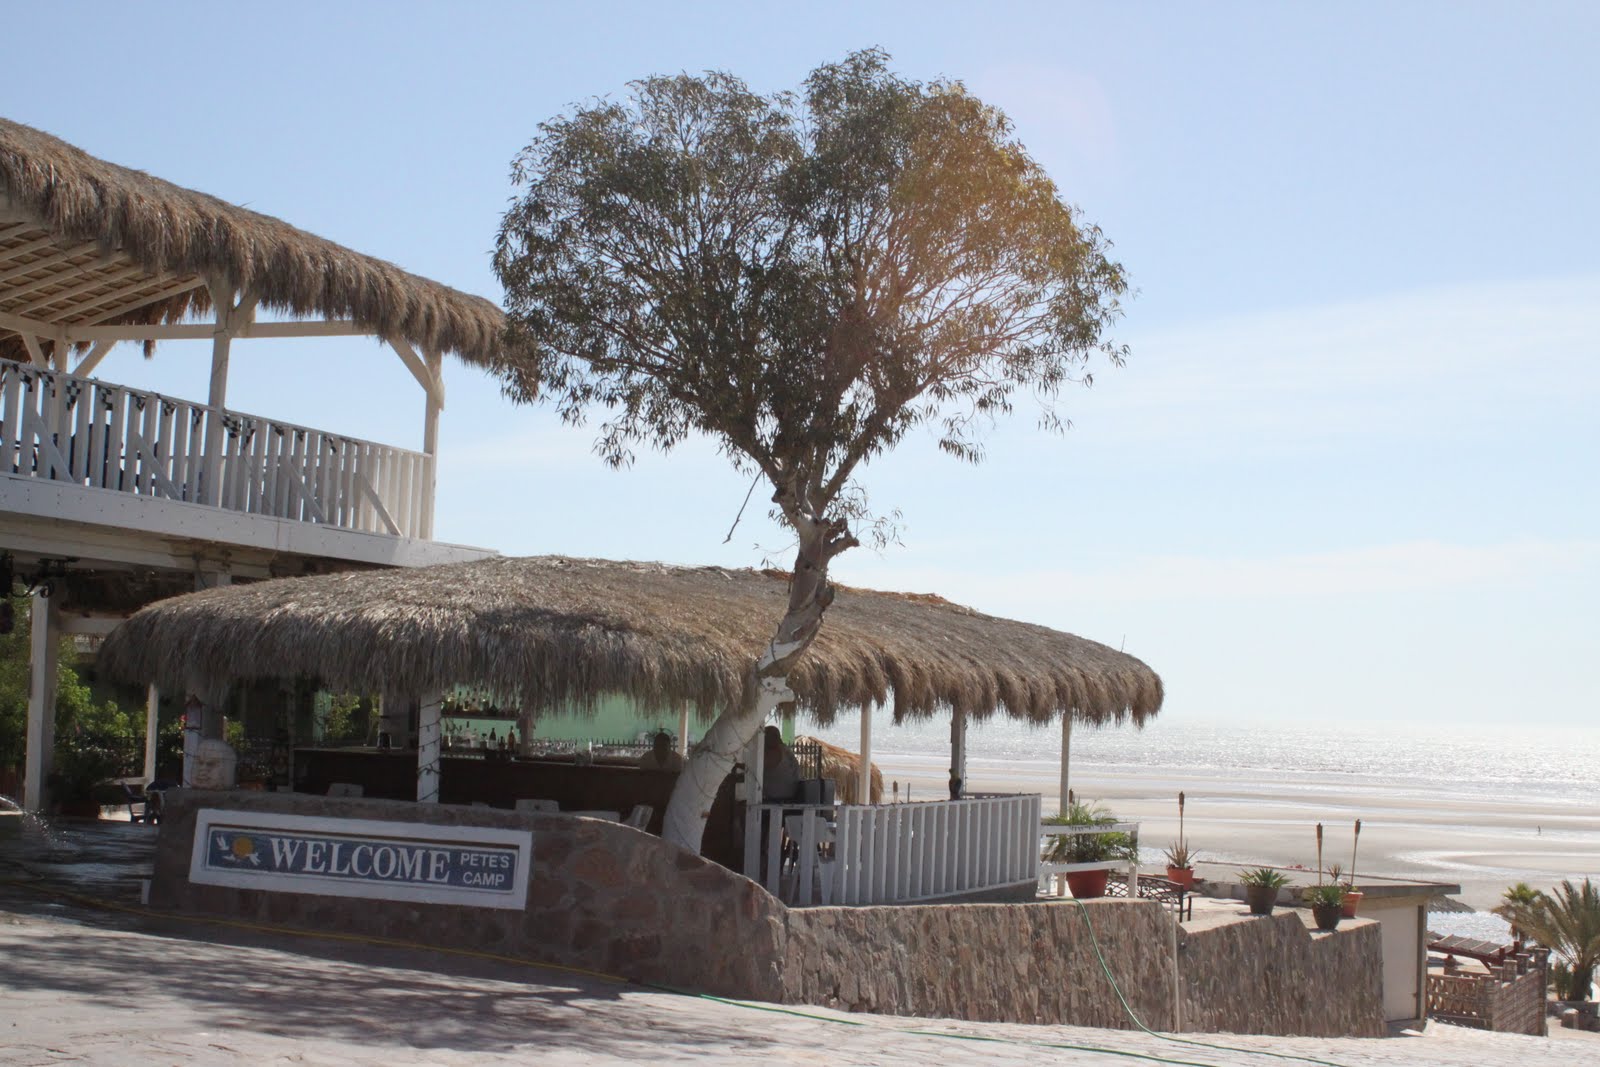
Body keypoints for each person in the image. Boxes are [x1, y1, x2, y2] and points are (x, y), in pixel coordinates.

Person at [761, 725, 801, 803]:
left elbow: (756, 769)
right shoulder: (786, 751)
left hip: (778, 802)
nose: (762, 740)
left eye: (764, 737)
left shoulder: (775, 752)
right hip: (790, 798)